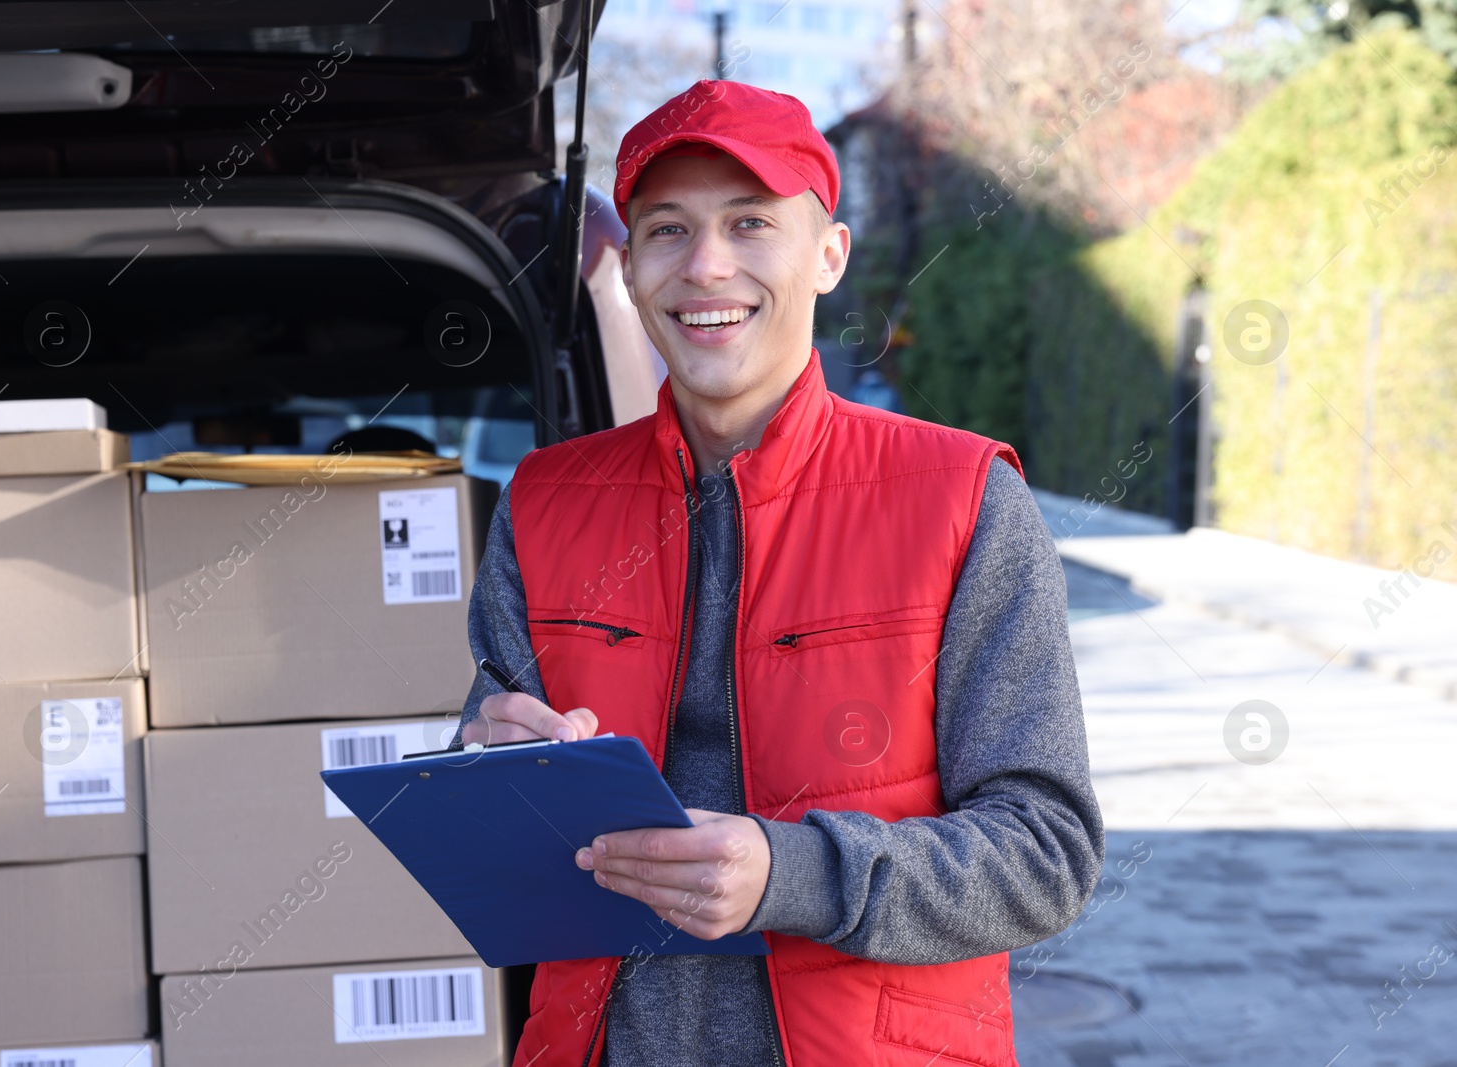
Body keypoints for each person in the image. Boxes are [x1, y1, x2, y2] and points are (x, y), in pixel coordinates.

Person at [449, 78, 1104, 1067]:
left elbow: (1043, 857)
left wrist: (790, 874)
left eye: (749, 223)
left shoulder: (961, 498)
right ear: (629, 272)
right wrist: (482, 760)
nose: (706, 265)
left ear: (828, 254)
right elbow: (490, 831)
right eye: (667, 230)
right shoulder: (543, 504)